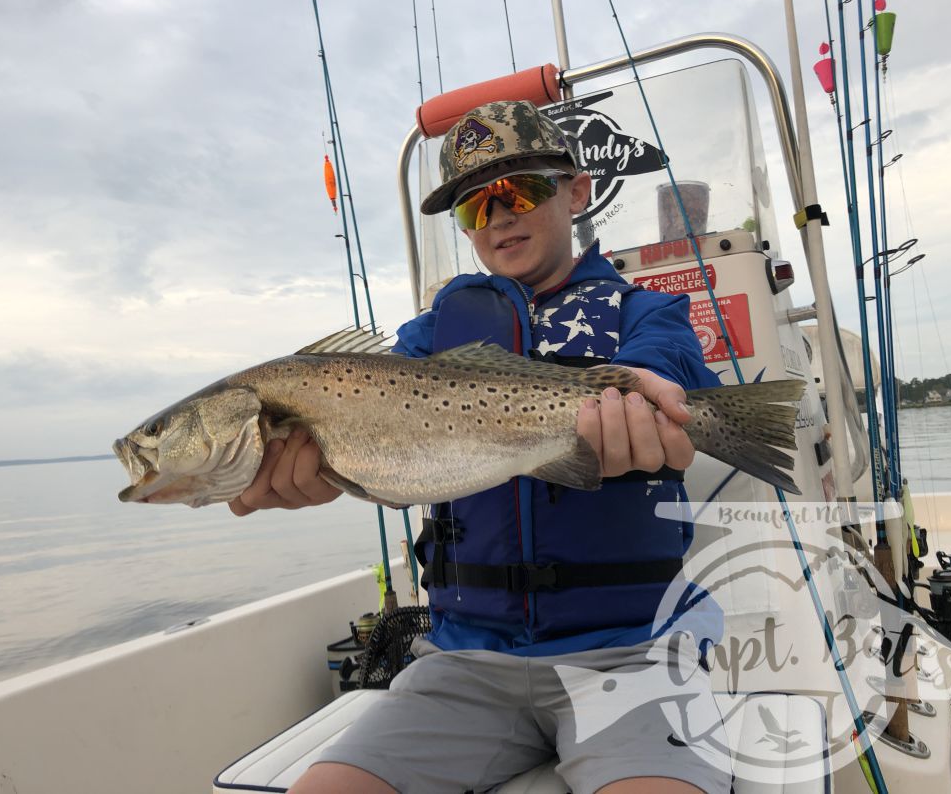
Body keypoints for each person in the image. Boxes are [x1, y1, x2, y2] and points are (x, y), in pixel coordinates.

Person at [230, 101, 730, 794]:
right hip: (464, 662)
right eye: (473, 207)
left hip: (631, 654)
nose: (497, 217)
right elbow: (358, 414)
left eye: (518, 190)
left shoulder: (644, 313)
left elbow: (669, 366)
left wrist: (654, 396)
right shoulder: (425, 341)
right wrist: (318, 467)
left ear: (577, 190)